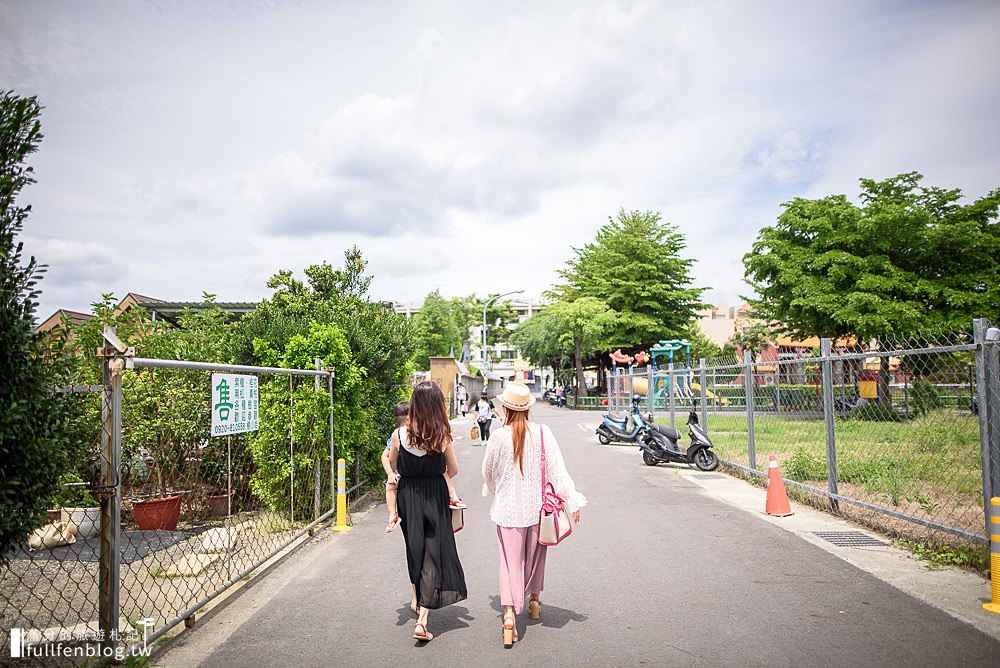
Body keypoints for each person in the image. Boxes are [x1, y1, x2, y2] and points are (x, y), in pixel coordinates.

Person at [481, 382, 586, 647]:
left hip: (507, 512)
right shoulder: (543, 433)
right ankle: (535, 600)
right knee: (536, 559)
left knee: (510, 563)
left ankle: (508, 616)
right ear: (529, 408)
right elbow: (556, 471)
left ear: (505, 407)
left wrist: (494, 489)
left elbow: (488, 471)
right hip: (538, 512)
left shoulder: (498, 436)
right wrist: (571, 500)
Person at [387, 381, 468, 642]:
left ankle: (418, 600)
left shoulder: (400, 434)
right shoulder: (441, 434)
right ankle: (422, 618)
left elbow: (393, 465)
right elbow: (453, 470)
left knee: (415, 548)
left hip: (408, 497)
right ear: (436, 405)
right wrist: (437, 473)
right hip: (435, 494)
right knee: (433, 553)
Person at [383, 401, 464, 533]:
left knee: (390, 488)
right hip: (430, 487)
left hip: (405, 480)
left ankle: (392, 515)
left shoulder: (397, 435)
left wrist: (390, 473)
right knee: (443, 473)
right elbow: (454, 470)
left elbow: (387, 459)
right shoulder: (430, 433)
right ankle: (454, 498)